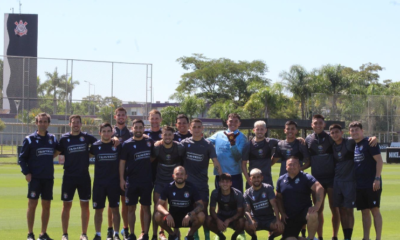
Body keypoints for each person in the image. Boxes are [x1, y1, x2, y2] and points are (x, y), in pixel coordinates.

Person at [54, 115, 98, 240]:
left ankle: (83, 234)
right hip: (69, 177)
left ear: (81, 124)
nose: (76, 125)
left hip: (84, 176)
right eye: (74, 123)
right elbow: (56, 152)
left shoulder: (86, 137)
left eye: (78, 122)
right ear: (70, 124)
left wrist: (86, 155)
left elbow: (99, 145)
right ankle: (65, 234)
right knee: (66, 206)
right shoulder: (64, 139)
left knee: (84, 205)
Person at [181, 118, 223, 240]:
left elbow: (215, 162)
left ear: (202, 129)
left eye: (199, 127)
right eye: (194, 127)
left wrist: (221, 177)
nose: (196, 129)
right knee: (192, 212)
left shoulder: (208, 145)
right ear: (190, 129)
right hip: (187, 185)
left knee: (203, 212)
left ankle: (207, 236)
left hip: (201, 185)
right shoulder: (184, 143)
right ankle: (194, 235)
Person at [19, 112, 58, 240]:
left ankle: (43, 234)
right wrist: (27, 173)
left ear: (48, 124)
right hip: (35, 178)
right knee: (32, 205)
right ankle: (30, 234)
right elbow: (22, 158)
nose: (42, 124)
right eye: (40, 121)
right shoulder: (29, 139)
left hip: (48, 178)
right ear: (36, 123)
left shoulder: (52, 138)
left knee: (46, 205)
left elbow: (58, 150)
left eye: (45, 121)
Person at [303, 114, 340, 240]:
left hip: (332, 179)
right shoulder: (308, 139)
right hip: (317, 180)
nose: (318, 125)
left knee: (335, 208)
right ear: (311, 125)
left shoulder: (330, 137)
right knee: (318, 209)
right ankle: (320, 237)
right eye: (315, 123)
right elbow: (307, 160)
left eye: (320, 123)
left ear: (324, 124)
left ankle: (334, 236)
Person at [120, 119, 155, 240]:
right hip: (131, 181)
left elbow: (153, 157)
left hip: (146, 181)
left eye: (141, 127)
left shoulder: (149, 142)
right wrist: (122, 179)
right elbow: (122, 162)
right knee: (131, 208)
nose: (138, 130)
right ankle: (132, 234)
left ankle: (145, 234)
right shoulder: (127, 144)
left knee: (146, 207)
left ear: (144, 129)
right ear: (132, 128)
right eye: (136, 127)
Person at [349, 121, 383, 240]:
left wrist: (377, 178)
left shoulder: (370, 143)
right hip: (359, 185)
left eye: (357, 130)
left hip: (372, 183)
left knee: (375, 210)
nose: (354, 132)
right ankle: (366, 237)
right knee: (364, 212)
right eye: (352, 130)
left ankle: (378, 238)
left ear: (362, 130)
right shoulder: (353, 144)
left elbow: (379, 161)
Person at [276, 157, 324, 240]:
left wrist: (317, 206)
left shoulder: (306, 177)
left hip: (304, 213)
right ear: (286, 167)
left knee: (313, 214)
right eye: (290, 165)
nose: (292, 166)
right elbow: (278, 198)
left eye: (295, 164)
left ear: (299, 166)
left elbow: (319, 188)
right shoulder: (281, 180)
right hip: (289, 217)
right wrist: (282, 212)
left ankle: (311, 238)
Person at [89, 122, 122, 240]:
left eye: (109, 131)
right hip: (99, 184)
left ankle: (116, 234)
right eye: (104, 131)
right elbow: (86, 156)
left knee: (115, 209)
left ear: (112, 132)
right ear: (100, 133)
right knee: (98, 210)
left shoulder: (117, 145)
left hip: (113, 183)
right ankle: (98, 234)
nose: (106, 133)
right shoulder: (95, 146)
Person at [154, 166, 205, 240]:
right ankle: (172, 235)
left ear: (186, 176)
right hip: (173, 218)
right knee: (157, 216)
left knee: (201, 216)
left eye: (182, 174)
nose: (179, 176)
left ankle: (189, 236)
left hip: (187, 218)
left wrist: (190, 214)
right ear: (173, 176)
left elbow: (201, 205)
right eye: (177, 174)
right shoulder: (168, 187)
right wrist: (167, 214)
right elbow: (158, 205)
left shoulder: (191, 187)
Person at [152, 126, 183, 240]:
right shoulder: (157, 147)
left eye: (170, 135)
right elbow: (150, 160)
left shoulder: (179, 147)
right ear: (162, 135)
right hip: (160, 182)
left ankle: (176, 234)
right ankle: (155, 235)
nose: (167, 137)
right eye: (165, 135)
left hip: (175, 183)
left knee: (176, 208)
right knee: (157, 209)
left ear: (173, 136)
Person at [109, 107, 133, 240]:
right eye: (119, 115)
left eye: (123, 115)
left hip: (126, 173)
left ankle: (125, 229)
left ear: (126, 117)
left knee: (125, 203)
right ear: (115, 116)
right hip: (111, 173)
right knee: (112, 203)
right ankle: (110, 230)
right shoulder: (109, 132)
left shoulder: (130, 133)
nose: (121, 117)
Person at [329, 124, 356, 240]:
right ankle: (344, 236)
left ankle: (348, 237)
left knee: (349, 209)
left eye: (337, 132)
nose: (335, 134)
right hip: (337, 182)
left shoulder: (349, 142)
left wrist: (373, 138)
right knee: (340, 210)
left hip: (350, 181)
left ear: (342, 132)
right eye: (332, 133)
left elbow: (362, 139)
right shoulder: (332, 145)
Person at [208, 113, 247, 192]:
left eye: (236, 121)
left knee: (236, 201)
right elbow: (205, 143)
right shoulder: (219, 134)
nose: (233, 123)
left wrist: (232, 143)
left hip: (234, 175)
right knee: (220, 200)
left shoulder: (242, 137)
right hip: (220, 174)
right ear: (227, 122)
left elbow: (237, 157)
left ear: (239, 123)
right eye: (231, 121)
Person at [243, 169, 284, 240]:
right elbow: (247, 210)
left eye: (258, 177)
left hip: (269, 219)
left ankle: (271, 237)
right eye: (254, 177)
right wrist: (251, 221)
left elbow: (274, 205)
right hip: (256, 219)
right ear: (250, 179)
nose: (256, 179)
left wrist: (278, 220)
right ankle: (254, 236)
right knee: (246, 224)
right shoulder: (247, 193)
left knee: (281, 228)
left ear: (262, 177)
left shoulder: (268, 188)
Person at [144, 109, 165, 240]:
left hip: (162, 173)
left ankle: (162, 231)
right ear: (149, 119)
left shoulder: (166, 133)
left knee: (162, 203)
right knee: (145, 204)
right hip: (146, 173)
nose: (155, 121)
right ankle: (144, 231)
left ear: (160, 120)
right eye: (152, 118)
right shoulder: (144, 133)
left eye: (157, 118)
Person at [206, 173, 245, 240]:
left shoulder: (237, 193)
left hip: (233, 217)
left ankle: (235, 236)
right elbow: (212, 210)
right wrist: (218, 220)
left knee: (242, 221)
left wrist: (229, 220)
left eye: (227, 182)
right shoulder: (215, 193)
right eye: (222, 182)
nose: (225, 184)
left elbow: (240, 212)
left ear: (231, 183)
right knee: (208, 219)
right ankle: (220, 235)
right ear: (219, 183)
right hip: (221, 216)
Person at [242, 120, 278, 188]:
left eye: (262, 129)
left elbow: (285, 143)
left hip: (267, 179)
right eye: (257, 129)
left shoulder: (271, 142)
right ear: (254, 130)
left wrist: (299, 139)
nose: (259, 131)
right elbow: (243, 164)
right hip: (253, 180)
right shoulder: (248, 145)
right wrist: (248, 179)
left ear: (265, 130)